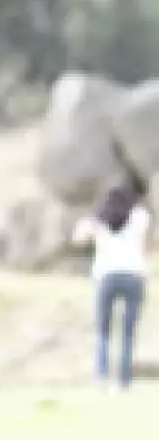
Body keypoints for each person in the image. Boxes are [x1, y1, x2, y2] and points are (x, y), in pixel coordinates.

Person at [73, 166, 150, 388]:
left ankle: (101, 377)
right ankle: (124, 381)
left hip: (106, 275)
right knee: (127, 332)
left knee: (103, 331)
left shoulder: (99, 217)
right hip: (134, 274)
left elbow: (79, 239)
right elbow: (144, 247)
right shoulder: (141, 215)